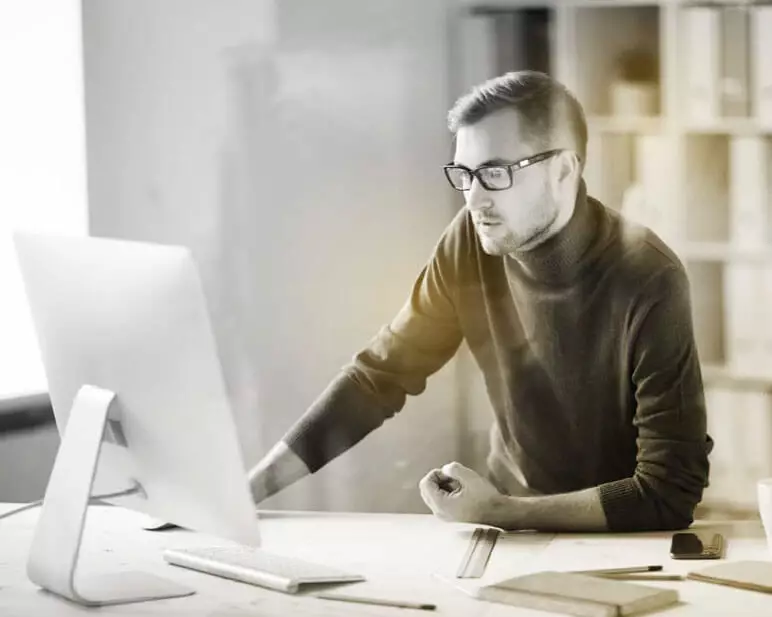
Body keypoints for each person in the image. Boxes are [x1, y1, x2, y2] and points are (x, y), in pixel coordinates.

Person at [248, 70, 713, 533]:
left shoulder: (649, 279)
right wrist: (247, 490)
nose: (474, 199)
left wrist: (500, 512)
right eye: (465, 175)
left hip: (620, 540)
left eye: (494, 173)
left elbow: (667, 492)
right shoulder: (470, 242)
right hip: (504, 527)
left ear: (564, 171)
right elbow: (379, 378)